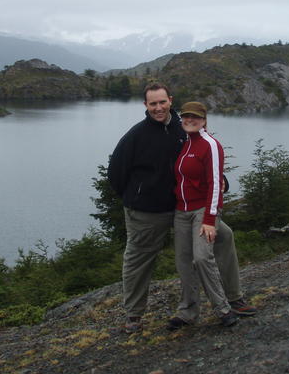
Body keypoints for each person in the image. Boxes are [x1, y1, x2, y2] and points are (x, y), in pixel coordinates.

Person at [167, 101, 256, 330]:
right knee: (184, 262)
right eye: (186, 116)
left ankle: (223, 308)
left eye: (195, 117)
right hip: (181, 211)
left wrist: (209, 219)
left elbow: (216, 183)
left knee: (201, 257)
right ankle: (187, 312)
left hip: (201, 211)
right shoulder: (185, 143)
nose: (190, 120)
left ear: (204, 120)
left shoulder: (210, 145)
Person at [107, 83, 186, 333]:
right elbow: (115, 172)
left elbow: (204, 157)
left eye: (162, 102)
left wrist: (219, 181)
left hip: (184, 206)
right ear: (145, 106)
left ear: (170, 100)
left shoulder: (185, 128)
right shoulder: (136, 135)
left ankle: (230, 299)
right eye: (153, 104)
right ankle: (134, 315)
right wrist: (136, 195)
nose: (158, 108)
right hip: (147, 211)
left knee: (219, 239)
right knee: (139, 260)